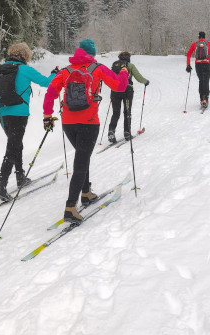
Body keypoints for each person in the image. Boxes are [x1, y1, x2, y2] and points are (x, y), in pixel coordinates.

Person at [43, 39, 129, 224]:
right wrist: (123, 72)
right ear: (92, 53)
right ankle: (70, 207)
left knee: (83, 156)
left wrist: (47, 116)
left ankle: (86, 192)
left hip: (68, 123)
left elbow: (51, 92)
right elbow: (120, 86)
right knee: (81, 162)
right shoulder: (97, 68)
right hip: (89, 123)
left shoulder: (66, 71)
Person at [0, 43, 57, 201]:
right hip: (19, 113)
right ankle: (1, 185)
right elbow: (47, 83)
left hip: (3, 114)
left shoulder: (2, 69)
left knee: (15, 143)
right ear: (26, 55)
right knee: (12, 147)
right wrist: (55, 74)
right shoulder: (25, 70)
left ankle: (20, 177)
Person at [108, 51, 149, 143]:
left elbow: (110, 77)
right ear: (128, 57)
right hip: (127, 91)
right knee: (127, 112)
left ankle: (111, 132)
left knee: (115, 113)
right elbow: (139, 78)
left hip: (115, 91)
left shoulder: (115, 65)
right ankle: (127, 133)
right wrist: (146, 82)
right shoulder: (130, 65)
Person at [185, 31, 210, 108]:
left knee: (201, 81)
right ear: (204, 37)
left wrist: (188, 65)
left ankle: (201, 99)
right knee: (206, 81)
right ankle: (206, 99)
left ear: (198, 37)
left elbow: (188, 54)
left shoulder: (194, 44)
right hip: (206, 64)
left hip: (198, 65)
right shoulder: (209, 44)